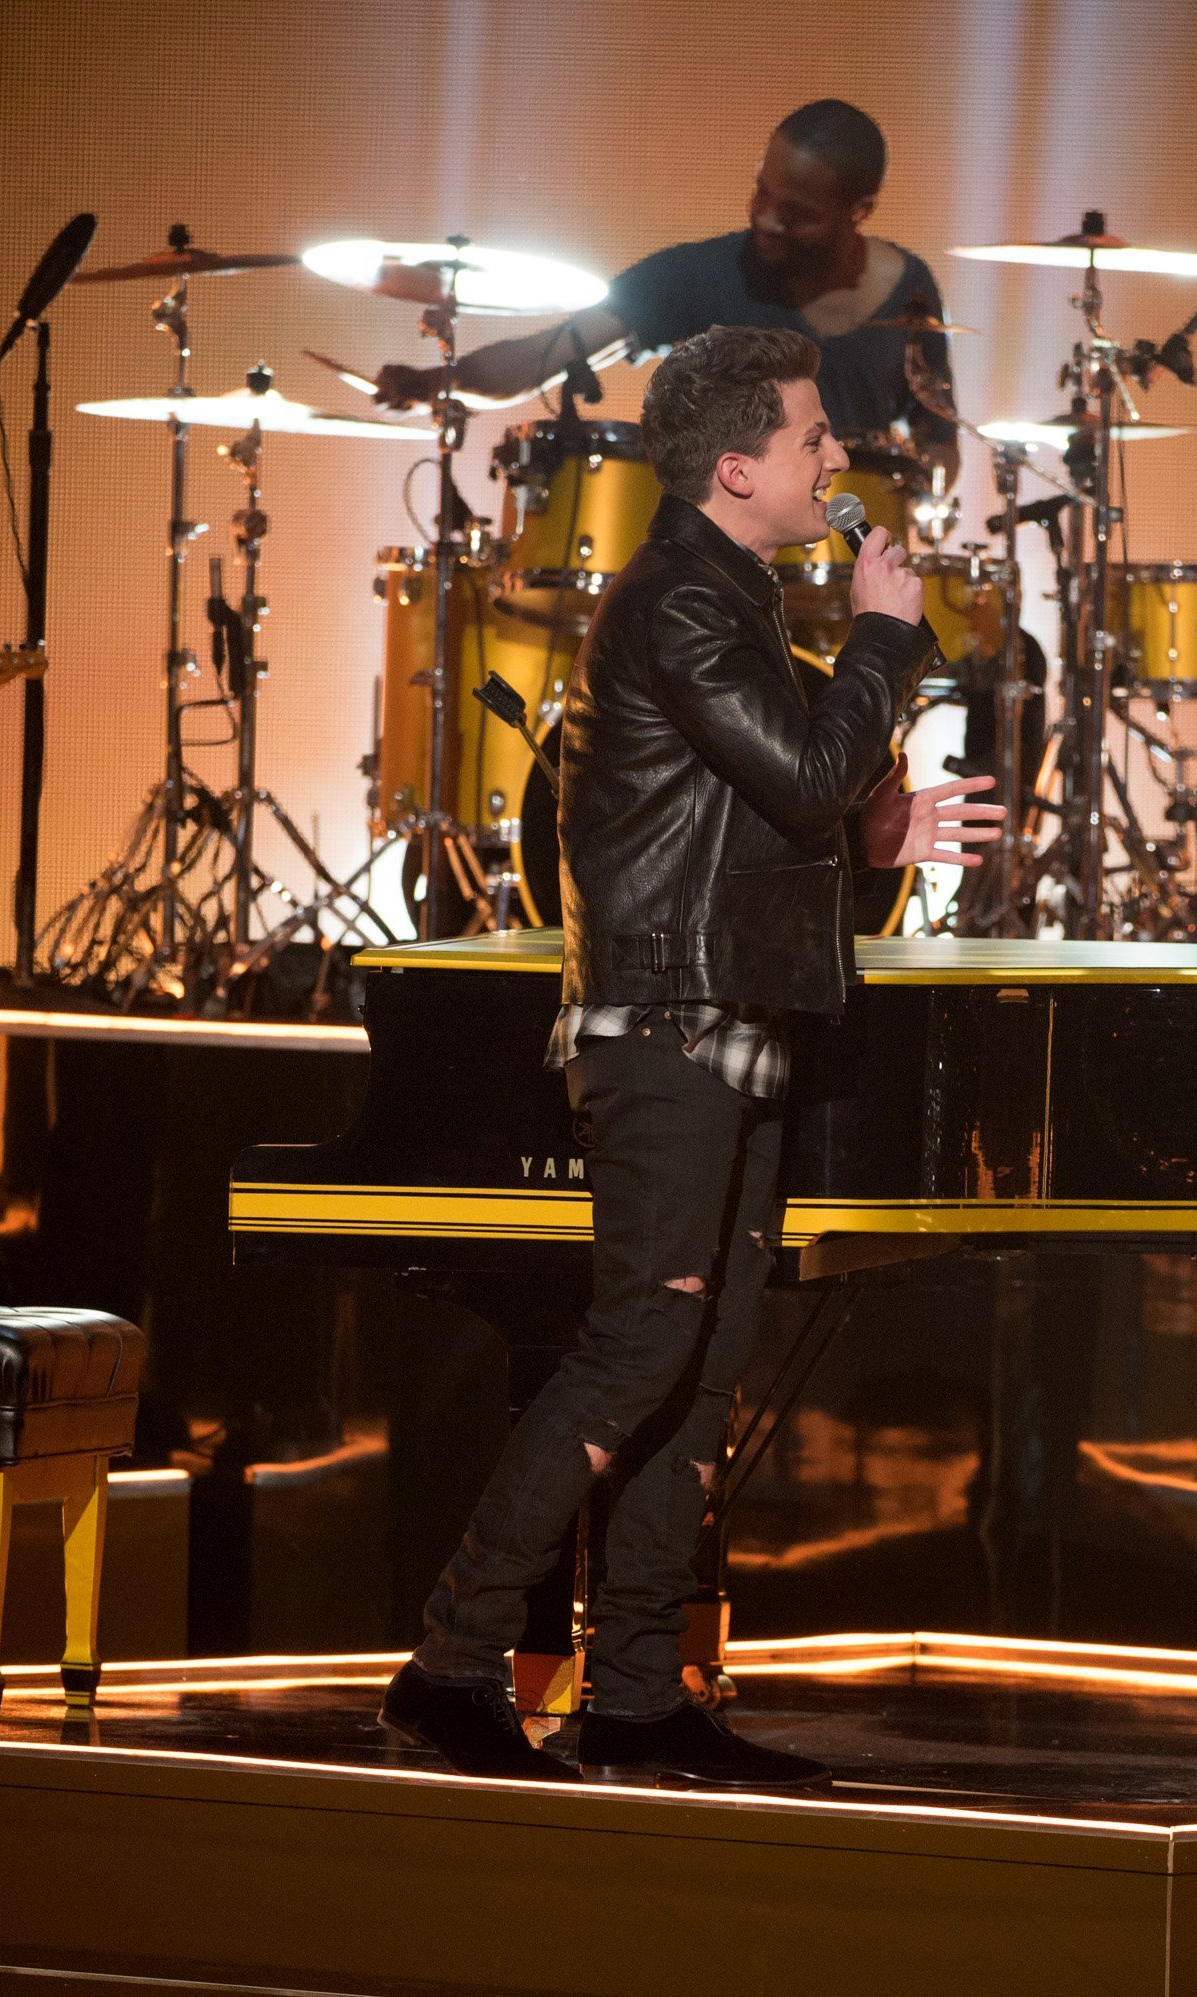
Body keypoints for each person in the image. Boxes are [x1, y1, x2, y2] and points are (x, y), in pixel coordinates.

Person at [378, 326, 1000, 1784]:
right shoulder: (681, 604)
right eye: (809, 440)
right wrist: (888, 641)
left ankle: (640, 1692)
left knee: (702, 1366)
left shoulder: (726, 600)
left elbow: (772, 819)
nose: (835, 459)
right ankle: (451, 1661)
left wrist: (872, 842)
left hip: (729, 1015)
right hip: (666, 1026)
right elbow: (794, 773)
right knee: (641, 1344)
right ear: (737, 466)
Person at [376, 99, 958, 480]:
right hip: (727, 576)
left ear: (860, 210)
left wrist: (921, 498)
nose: (767, 218)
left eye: (797, 212)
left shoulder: (910, 291)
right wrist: (434, 383)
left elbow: (941, 438)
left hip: (850, 565)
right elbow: (545, 354)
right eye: (762, 193)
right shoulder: (700, 275)